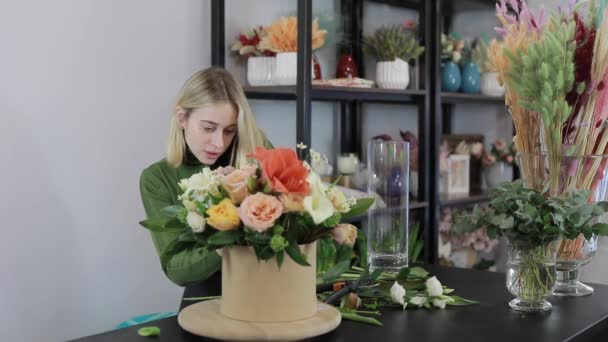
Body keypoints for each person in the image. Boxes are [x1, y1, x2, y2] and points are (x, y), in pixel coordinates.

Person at [139, 67, 268, 288]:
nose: (219, 143)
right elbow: (177, 269)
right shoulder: (157, 179)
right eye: (208, 128)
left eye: (229, 131)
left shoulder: (253, 152)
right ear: (182, 118)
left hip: (268, 296)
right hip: (204, 306)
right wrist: (226, 235)